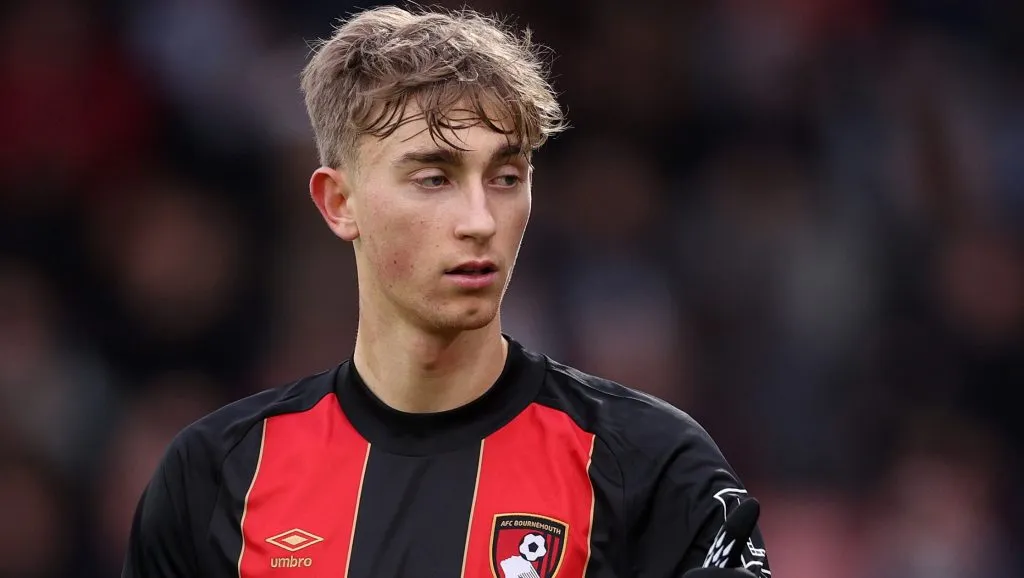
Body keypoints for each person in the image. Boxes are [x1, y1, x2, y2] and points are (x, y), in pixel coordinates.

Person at [122, 6, 771, 578]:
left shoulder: (652, 466)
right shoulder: (217, 477)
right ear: (339, 202)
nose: (480, 220)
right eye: (434, 177)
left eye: (506, 177)